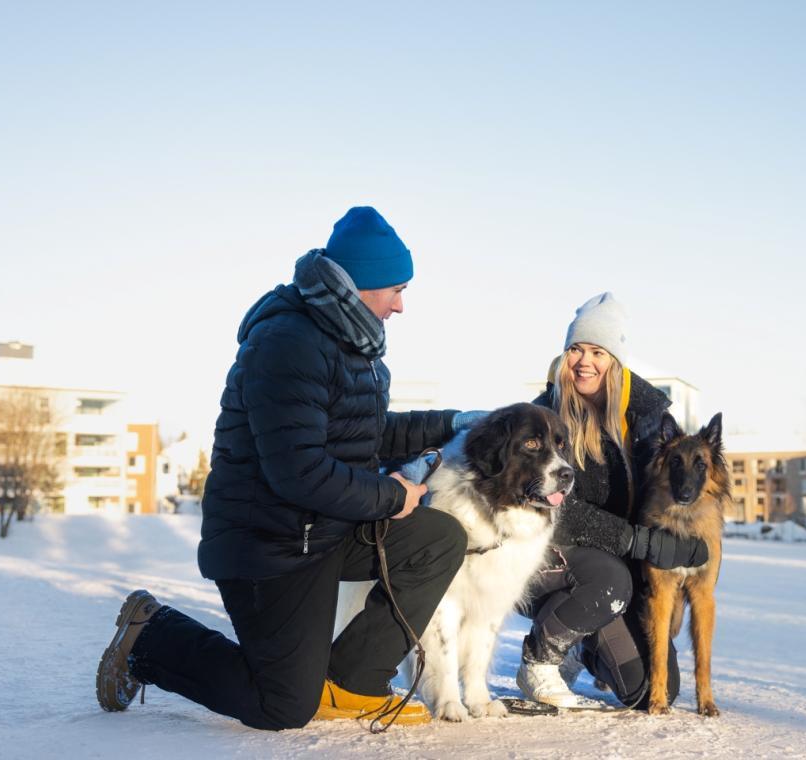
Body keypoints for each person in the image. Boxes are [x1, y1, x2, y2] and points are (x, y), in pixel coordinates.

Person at [95, 206, 473, 730]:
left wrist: (454, 422)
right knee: (281, 706)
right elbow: (299, 470)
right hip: (268, 547)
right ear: (362, 283)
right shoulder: (288, 343)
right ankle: (151, 635)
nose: (402, 306)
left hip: (323, 530)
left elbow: (370, 431)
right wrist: (390, 496)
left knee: (438, 538)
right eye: (396, 289)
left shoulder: (350, 344)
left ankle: (352, 682)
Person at [516, 292, 709, 709]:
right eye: (575, 349)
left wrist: (685, 539)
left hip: (619, 567)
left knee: (653, 691)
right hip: (552, 560)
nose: (584, 361)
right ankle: (543, 655)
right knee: (609, 580)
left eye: (597, 351)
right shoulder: (541, 418)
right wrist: (639, 542)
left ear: (615, 361)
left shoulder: (648, 417)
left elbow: (672, 485)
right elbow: (555, 507)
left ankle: (586, 642)